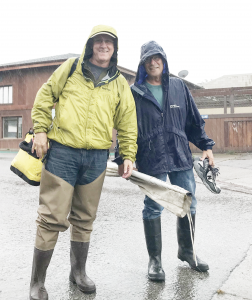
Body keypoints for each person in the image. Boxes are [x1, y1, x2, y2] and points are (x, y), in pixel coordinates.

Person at [29, 25, 137, 299]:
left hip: (97, 157)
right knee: (51, 218)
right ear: (91, 45)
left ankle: (78, 273)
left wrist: (128, 155)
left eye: (109, 42)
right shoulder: (71, 68)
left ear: (114, 48)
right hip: (63, 153)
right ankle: (37, 282)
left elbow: (127, 121)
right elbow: (45, 96)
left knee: (85, 219)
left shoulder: (119, 82)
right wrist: (40, 129)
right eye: (99, 41)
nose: (103, 45)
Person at [115, 40, 215, 281]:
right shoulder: (134, 93)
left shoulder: (179, 87)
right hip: (151, 158)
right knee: (153, 206)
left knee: (188, 203)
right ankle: (155, 261)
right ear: (142, 64)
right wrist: (124, 157)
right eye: (148, 59)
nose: (153, 62)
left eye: (157, 57)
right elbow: (125, 127)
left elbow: (193, 120)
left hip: (180, 155)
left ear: (164, 60)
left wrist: (206, 146)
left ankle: (187, 252)